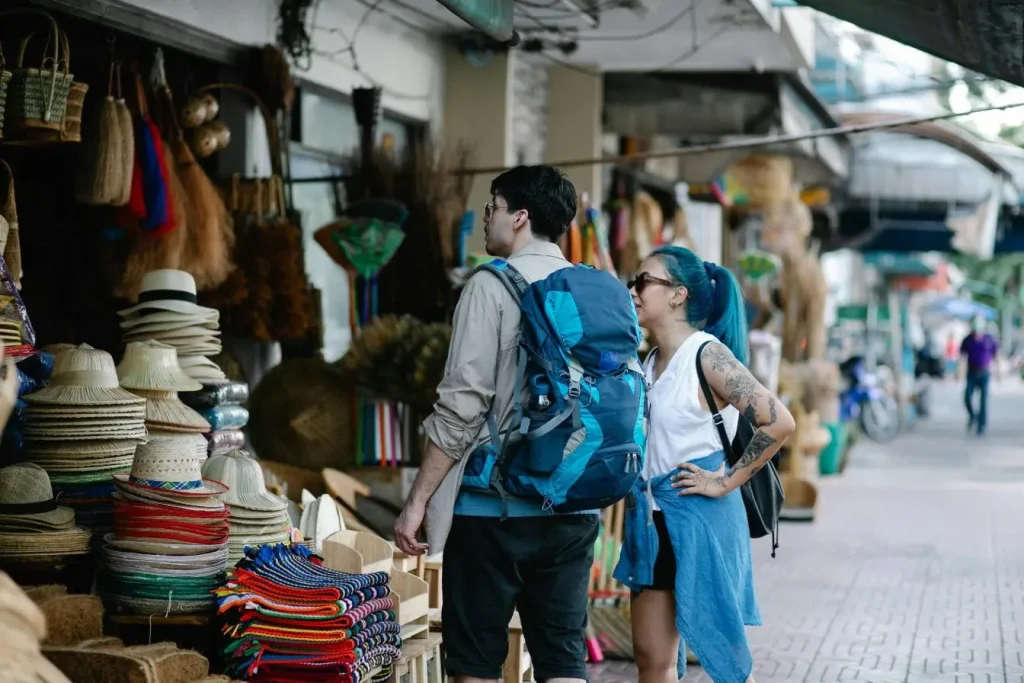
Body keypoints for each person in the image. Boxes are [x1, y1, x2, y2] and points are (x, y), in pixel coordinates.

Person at [394, 165, 598, 683]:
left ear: (520, 217)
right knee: (562, 661)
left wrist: (418, 500)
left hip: (494, 510)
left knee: (477, 663)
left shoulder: (489, 287)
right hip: (574, 504)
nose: (488, 219)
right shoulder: (594, 288)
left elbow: (462, 406)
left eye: (493, 208)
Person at [614, 247, 796, 683]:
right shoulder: (649, 361)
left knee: (723, 655)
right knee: (651, 657)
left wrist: (724, 482)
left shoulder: (707, 356)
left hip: (703, 520)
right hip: (652, 523)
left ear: (678, 294)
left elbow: (779, 421)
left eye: (644, 281)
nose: (633, 291)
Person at [960, 317, 999, 435]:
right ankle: (973, 415)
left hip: (984, 372)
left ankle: (981, 425)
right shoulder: (967, 340)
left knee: (983, 400)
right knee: (967, 397)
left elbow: (996, 357)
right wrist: (958, 373)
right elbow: (962, 357)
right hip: (971, 372)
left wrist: (999, 372)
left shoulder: (989, 340)